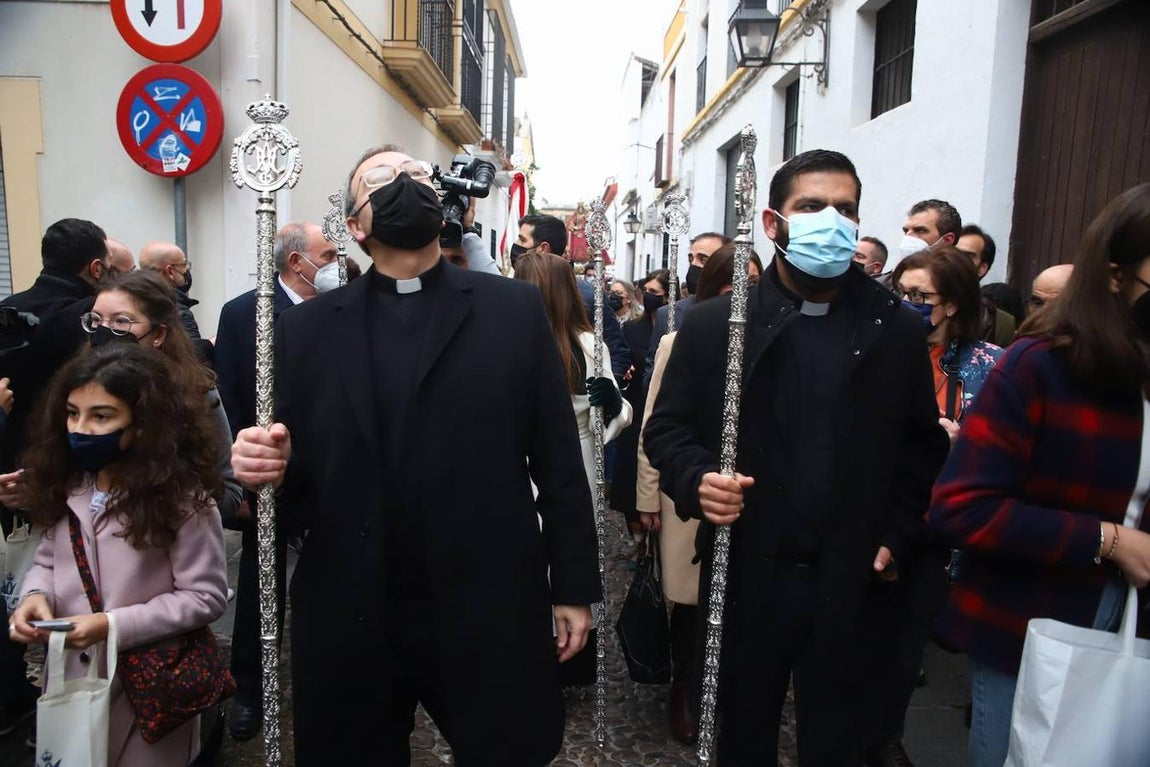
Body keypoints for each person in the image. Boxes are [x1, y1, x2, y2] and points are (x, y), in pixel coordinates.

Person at [231, 144, 601, 765]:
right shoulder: (307, 329)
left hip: (485, 594)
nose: (403, 182)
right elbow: (291, 498)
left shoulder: (510, 311)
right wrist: (264, 469)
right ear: (354, 226)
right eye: (381, 179)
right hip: (354, 601)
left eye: (416, 174)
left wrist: (572, 586)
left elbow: (558, 460)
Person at [643, 149, 949, 765]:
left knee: (840, 741)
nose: (831, 221)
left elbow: (921, 448)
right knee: (742, 734)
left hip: (854, 578)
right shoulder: (715, 326)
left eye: (846, 210)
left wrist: (896, 533)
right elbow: (667, 430)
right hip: (748, 572)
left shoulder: (894, 329)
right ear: (773, 223)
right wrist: (697, 478)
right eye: (812, 207)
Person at [927, 182, 1150, 767]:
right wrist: (1107, 540)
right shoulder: (1042, 365)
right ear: (1115, 276)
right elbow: (964, 508)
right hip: (1033, 629)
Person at [9, 342, 228, 766]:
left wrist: (110, 626)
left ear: (143, 424)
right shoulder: (68, 484)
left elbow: (205, 596)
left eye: (101, 416)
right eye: (72, 413)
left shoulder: (183, 501)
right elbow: (47, 562)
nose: (81, 428)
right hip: (74, 679)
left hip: (150, 687)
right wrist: (35, 598)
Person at [861, 247, 1004, 766]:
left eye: (922, 296)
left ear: (955, 304)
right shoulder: (876, 350)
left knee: (904, 648)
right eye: (901, 292)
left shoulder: (991, 367)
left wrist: (961, 441)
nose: (909, 304)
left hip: (937, 528)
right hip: (873, 517)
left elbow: (1013, 451)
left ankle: (885, 739)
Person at [212, 221, 334, 742]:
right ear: (295, 262)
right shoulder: (244, 312)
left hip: (331, 472)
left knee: (331, 582)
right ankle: (248, 690)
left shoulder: (341, 309)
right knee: (262, 585)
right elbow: (232, 397)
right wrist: (244, 478)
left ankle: (330, 683)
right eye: (327, 255)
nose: (335, 264)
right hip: (270, 474)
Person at [636, 243, 761, 746]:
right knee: (691, 601)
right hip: (693, 488)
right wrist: (648, 498)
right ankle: (685, 683)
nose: (743, 301)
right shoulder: (681, 338)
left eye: (753, 286)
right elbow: (656, 424)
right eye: (733, 289)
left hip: (748, 491)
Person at [0, 217, 110, 734]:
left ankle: (26, 695)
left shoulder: (8, 313)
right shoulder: (87, 321)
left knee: (23, 585)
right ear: (94, 268)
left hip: (14, 478)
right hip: (77, 478)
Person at [514, 214, 631, 379]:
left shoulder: (589, 296)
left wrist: (601, 395)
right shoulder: (510, 287)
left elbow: (617, 352)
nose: (516, 245)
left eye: (522, 240)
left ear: (542, 248)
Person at [611, 270, 669, 547]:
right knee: (629, 475)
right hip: (636, 407)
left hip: (660, 407)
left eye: (655, 293)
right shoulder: (633, 327)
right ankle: (637, 539)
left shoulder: (675, 325)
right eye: (646, 290)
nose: (649, 297)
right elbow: (621, 357)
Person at [643, 232, 731, 387]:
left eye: (703, 259)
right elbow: (650, 378)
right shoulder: (669, 313)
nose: (694, 265)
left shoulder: (739, 311)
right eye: (691, 259)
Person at [955, 224, 1016, 345]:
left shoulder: (1000, 322)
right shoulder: (919, 303)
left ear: (982, 268)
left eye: (967, 256)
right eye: (953, 252)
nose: (956, 260)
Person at [139, 242, 202, 340]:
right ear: (170, 271)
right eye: (184, 264)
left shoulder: (133, 302)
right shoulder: (178, 312)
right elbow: (194, 352)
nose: (186, 270)